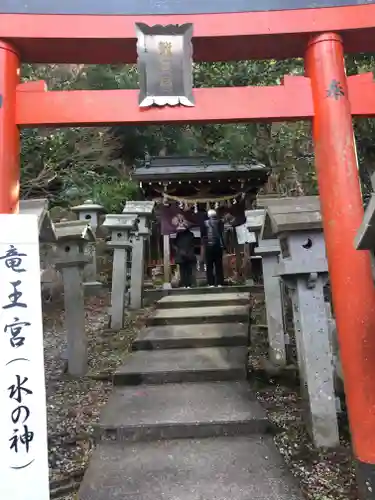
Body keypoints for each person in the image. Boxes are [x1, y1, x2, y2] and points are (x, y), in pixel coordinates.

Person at [200, 209, 225, 287]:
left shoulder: (204, 224)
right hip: (218, 245)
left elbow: (202, 235)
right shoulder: (220, 222)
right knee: (218, 265)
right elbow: (222, 233)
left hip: (208, 246)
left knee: (209, 265)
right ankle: (220, 282)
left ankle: (211, 283)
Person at [173, 223, 196, 288]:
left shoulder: (179, 234)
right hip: (188, 254)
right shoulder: (191, 234)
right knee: (188, 270)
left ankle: (185, 284)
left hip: (182, 255)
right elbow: (192, 245)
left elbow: (175, 244)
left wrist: (179, 250)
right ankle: (188, 284)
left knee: (183, 270)